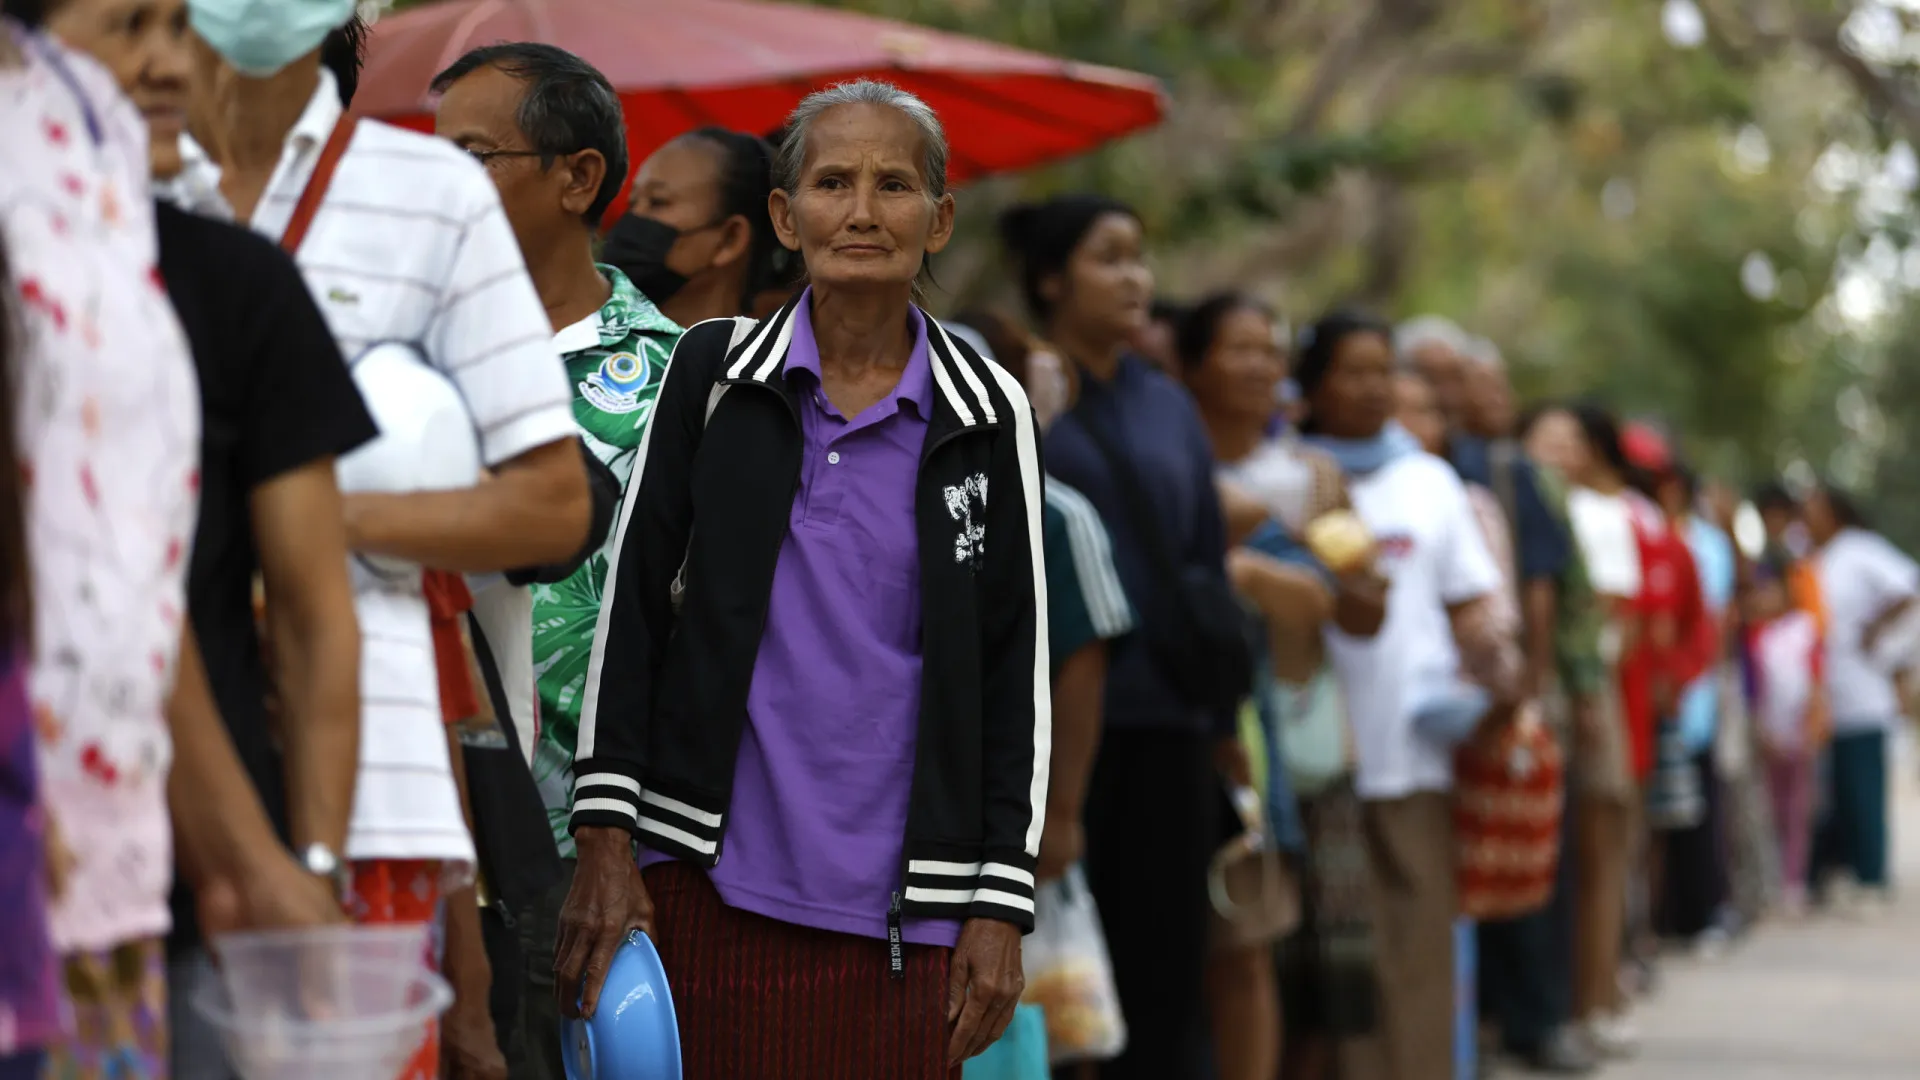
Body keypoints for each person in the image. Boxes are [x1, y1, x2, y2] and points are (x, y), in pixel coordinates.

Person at [554, 80, 1045, 1078]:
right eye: (831, 182)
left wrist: (999, 903)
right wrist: (606, 839)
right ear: (785, 215)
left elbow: (1012, 668)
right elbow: (634, 615)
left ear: (939, 219)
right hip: (700, 876)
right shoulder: (712, 375)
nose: (861, 212)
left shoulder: (987, 408)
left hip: (910, 914)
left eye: (893, 185)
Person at [37, 5, 380, 1073]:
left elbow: (314, 616)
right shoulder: (44, 281)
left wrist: (300, 863)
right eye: (127, 26)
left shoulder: (235, 289)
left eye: (179, 27)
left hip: (181, 907)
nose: (164, 63)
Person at [430, 40, 684, 1078]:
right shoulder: (396, 359)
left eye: (473, 157)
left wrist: (619, 854)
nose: (439, 189)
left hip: (586, 869)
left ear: (577, 177)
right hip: (421, 844)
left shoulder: (679, 386)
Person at [1007, 193, 1240, 1080]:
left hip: (1173, 715)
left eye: (1139, 256)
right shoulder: (1013, 389)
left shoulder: (1167, 403)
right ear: (1052, 278)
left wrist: (1226, 725)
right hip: (1063, 725)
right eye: (1110, 257)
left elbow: (1204, 557)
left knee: (1170, 964)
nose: (1135, 276)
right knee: (1064, 980)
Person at [1178, 292, 1388, 1080]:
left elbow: (1368, 607)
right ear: (1194, 365)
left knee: (1316, 977)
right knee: (1234, 957)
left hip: (1307, 747)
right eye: (1241, 349)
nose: (1262, 366)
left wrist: (1316, 565)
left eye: (1272, 349)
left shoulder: (1313, 474)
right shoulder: (1175, 463)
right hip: (1220, 740)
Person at [1295, 312, 1508, 1080]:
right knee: (1327, 979)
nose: (1373, 386)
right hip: (1311, 764)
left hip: (1415, 755)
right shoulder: (1289, 471)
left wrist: (1495, 661)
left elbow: (1469, 605)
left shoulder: (1429, 479)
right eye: (1353, 370)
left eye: (1383, 369)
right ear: (1314, 383)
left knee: (1417, 960)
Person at [1451, 344, 1592, 1072]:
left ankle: (1537, 1018)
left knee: (1525, 856)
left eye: (1500, 382)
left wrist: (1529, 687)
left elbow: (1542, 587)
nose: (1494, 395)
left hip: (1510, 702)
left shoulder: (1511, 473)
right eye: (1474, 382)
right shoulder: (1435, 463)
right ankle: (1486, 1019)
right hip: (1444, 705)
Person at [1805, 481, 1916, 915]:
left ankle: (1872, 875)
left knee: (1863, 787)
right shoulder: (1821, 557)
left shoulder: (1860, 548)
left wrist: (1876, 633)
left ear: (1834, 511)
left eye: (1814, 508)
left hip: (1864, 694)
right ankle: (1849, 868)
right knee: (1842, 790)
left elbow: (1908, 586)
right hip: (1833, 694)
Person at [603, 125, 783, 325]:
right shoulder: (591, 347)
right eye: (632, 203)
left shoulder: (783, 354)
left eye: (658, 201)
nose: (633, 218)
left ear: (730, 239)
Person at [1744, 554, 1826, 918]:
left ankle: (1794, 882)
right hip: (1768, 735)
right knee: (1769, 810)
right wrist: (1760, 731)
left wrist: (1813, 725)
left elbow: (1816, 681)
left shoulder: (1804, 628)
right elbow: (1754, 691)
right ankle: (1770, 879)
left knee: (1798, 811)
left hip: (1799, 733)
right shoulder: (1756, 635)